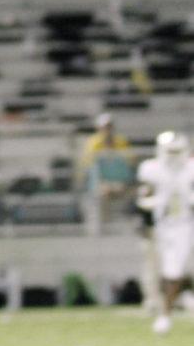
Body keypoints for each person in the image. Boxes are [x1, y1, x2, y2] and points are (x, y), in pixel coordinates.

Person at [137, 131, 194, 334]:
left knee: (175, 270)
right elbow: (144, 196)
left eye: (176, 151)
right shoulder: (151, 169)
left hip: (187, 224)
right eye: (170, 151)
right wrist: (152, 201)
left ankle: (166, 314)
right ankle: (172, 307)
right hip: (164, 225)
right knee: (167, 270)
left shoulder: (190, 168)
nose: (173, 155)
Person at [79, 112, 135, 225]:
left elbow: (130, 161)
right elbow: (88, 163)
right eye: (105, 127)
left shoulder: (121, 141)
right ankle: (102, 225)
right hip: (100, 184)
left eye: (109, 126)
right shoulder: (93, 142)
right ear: (99, 128)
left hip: (121, 182)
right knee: (101, 195)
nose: (107, 130)